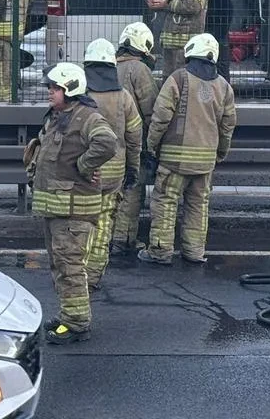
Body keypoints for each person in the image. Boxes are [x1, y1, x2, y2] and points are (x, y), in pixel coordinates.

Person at [24, 61, 118, 343]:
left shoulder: (87, 117)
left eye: (55, 88)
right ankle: (69, 314)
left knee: (70, 266)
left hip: (72, 211)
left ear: (70, 89)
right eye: (50, 88)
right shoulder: (57, 116)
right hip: (57, 208)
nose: (50, 93)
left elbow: (107, 143)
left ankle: (76, 323)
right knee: (61, 266)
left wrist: (85, 165)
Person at [139, 33, 237, 266]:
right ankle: (194, 252)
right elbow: (228, 125)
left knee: (165, 202)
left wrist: (152, 146)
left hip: (175, 160)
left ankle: (160, 251)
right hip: (205, 162)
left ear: (190, 51)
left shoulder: (178, 79)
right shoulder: (223, 86)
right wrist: (220, 152)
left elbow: (161, 117)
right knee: (198, 205)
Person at [81, 38, 142, 290]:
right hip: (115, 170)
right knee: (105, 222)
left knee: (83, 222)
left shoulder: (80, 94)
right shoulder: (123, 96)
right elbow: (135, 135)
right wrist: (133, 167)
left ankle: (79, 275)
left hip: (85, 171)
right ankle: (94, 275)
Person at [111, 22, 161, 255]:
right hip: (132, 141)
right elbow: (151, 109)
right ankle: (124, 238)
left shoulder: (106, 65)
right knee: (132, 189)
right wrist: (153, 144)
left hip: (104, 140)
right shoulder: (139, 70)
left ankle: (104, 236)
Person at [195, 0, 233, 80]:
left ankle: (223, 89)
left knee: (220, 60)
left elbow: (226, 6)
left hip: (218, 25)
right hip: (210, 25)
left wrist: (221, 29)